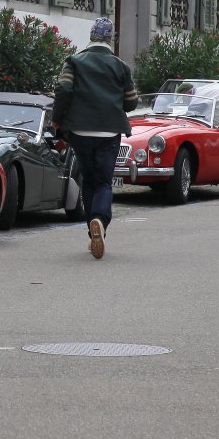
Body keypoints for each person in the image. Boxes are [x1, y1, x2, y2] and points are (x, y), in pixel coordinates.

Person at [51, 16, 138, 261]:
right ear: (111, 39)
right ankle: (99, 220)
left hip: (79, 130)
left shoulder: (74, 61)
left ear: (91, 36)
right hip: (109, 131)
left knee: (88, 180)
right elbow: (131, 102)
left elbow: (64, 89)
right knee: (103, 182)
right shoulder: (121, 66)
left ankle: (92, 229)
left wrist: (58, 119)